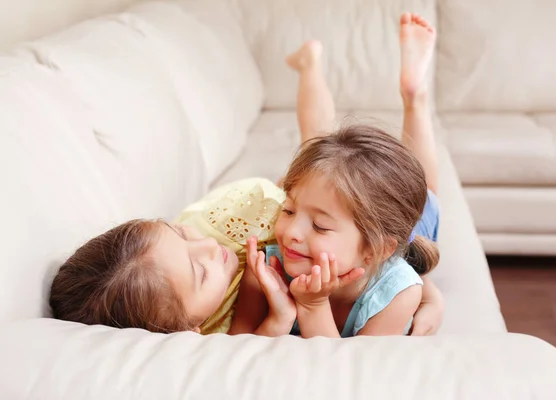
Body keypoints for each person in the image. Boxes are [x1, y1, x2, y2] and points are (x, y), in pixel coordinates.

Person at [50, 12, 443, 337]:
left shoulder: (393, 288)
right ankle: (316, 71)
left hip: (380, 227)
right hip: (363, 227)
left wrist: (425, 293)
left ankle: (414, 97)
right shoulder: (273, 264)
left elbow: (349, 373)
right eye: (288, 212)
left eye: (315, 225)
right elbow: (252, 345)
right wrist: (305, 303)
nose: (287, 232)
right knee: (330, 163)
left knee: (420, 192)